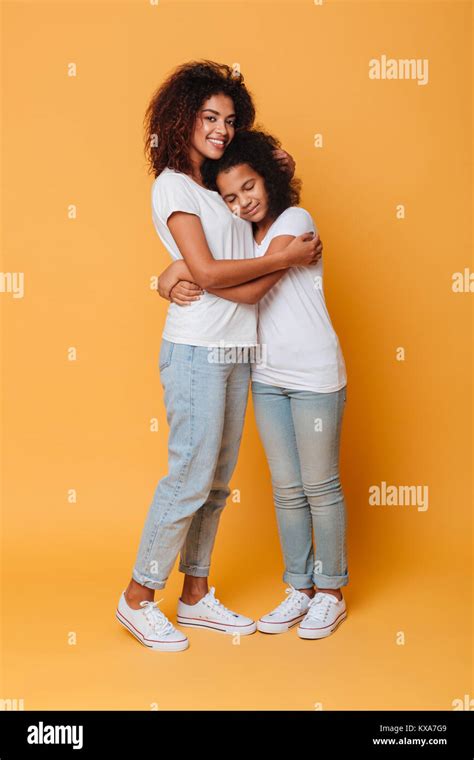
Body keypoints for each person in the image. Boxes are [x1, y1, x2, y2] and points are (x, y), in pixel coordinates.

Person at [115, 62, 321, 652]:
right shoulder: (173, 187)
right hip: (196, 349)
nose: (222, 130)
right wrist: (278, 261)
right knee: (188, 475)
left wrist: (178, 273)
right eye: (210, 117)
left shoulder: (219, 184)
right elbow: (206, 270)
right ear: (182, 118)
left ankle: (196, 594)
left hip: (236, 348)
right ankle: (137, 596)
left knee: (215, 483)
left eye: (230, 121)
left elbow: (220, 262)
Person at [159, 129, 348, 640]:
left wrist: (197, 270)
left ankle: (330, 592)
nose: (243, 202)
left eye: (250, 187)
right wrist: (169, 274)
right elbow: (215, 267)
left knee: (319, 486)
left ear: (269, 177)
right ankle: (299, 589)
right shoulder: (244, 234)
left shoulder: (295, 222)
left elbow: (249, 289)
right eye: (231, 197)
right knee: (287, 491)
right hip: (265, 375)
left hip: (314, 377)